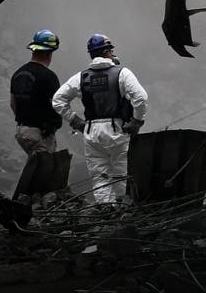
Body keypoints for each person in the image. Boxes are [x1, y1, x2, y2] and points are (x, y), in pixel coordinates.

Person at [52, 34, 148, 204]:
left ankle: (106, 210)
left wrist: (75, 121)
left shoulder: (81, 77)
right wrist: (137, 121)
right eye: (111, 49)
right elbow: (140, 98)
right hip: (118, 130)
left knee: (100, 176)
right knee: (121, 174)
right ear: (106, 51)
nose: (112, 52)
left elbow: (58, 100)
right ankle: (122, 210)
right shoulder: (122, 74)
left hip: (91, 132)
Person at [10, 29, 63, 157]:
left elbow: (13, 104)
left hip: (21, 131)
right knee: (45, 172)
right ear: (49, 53)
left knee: (36, 167)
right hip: (39, 134)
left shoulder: (17, 74)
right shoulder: (49, 76)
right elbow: (58, 106)